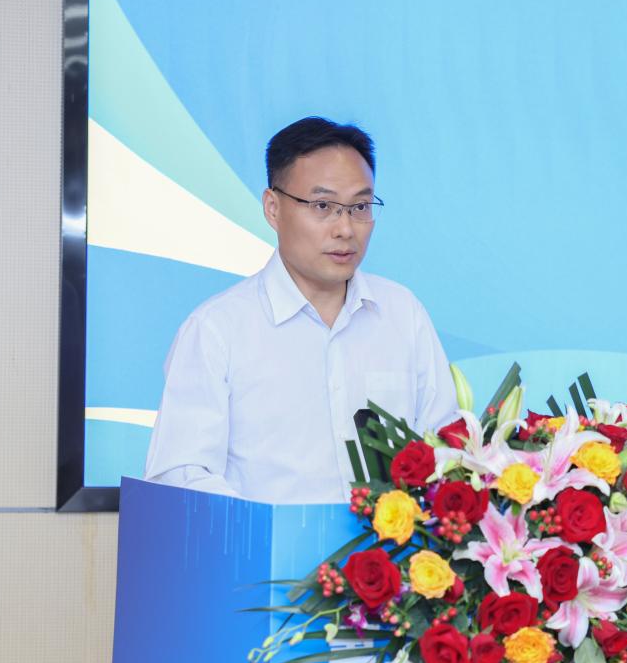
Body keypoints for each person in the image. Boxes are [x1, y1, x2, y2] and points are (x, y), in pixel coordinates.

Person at [143, 116, 458, 503]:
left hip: (390, 542)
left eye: (360, 206)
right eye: (323, 205)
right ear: (273, 208)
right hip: (264, 543)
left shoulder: (403, 314)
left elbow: (445, 447)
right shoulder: (217, 330)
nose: (345, 228)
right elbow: (180, 476)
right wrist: (266, 530)